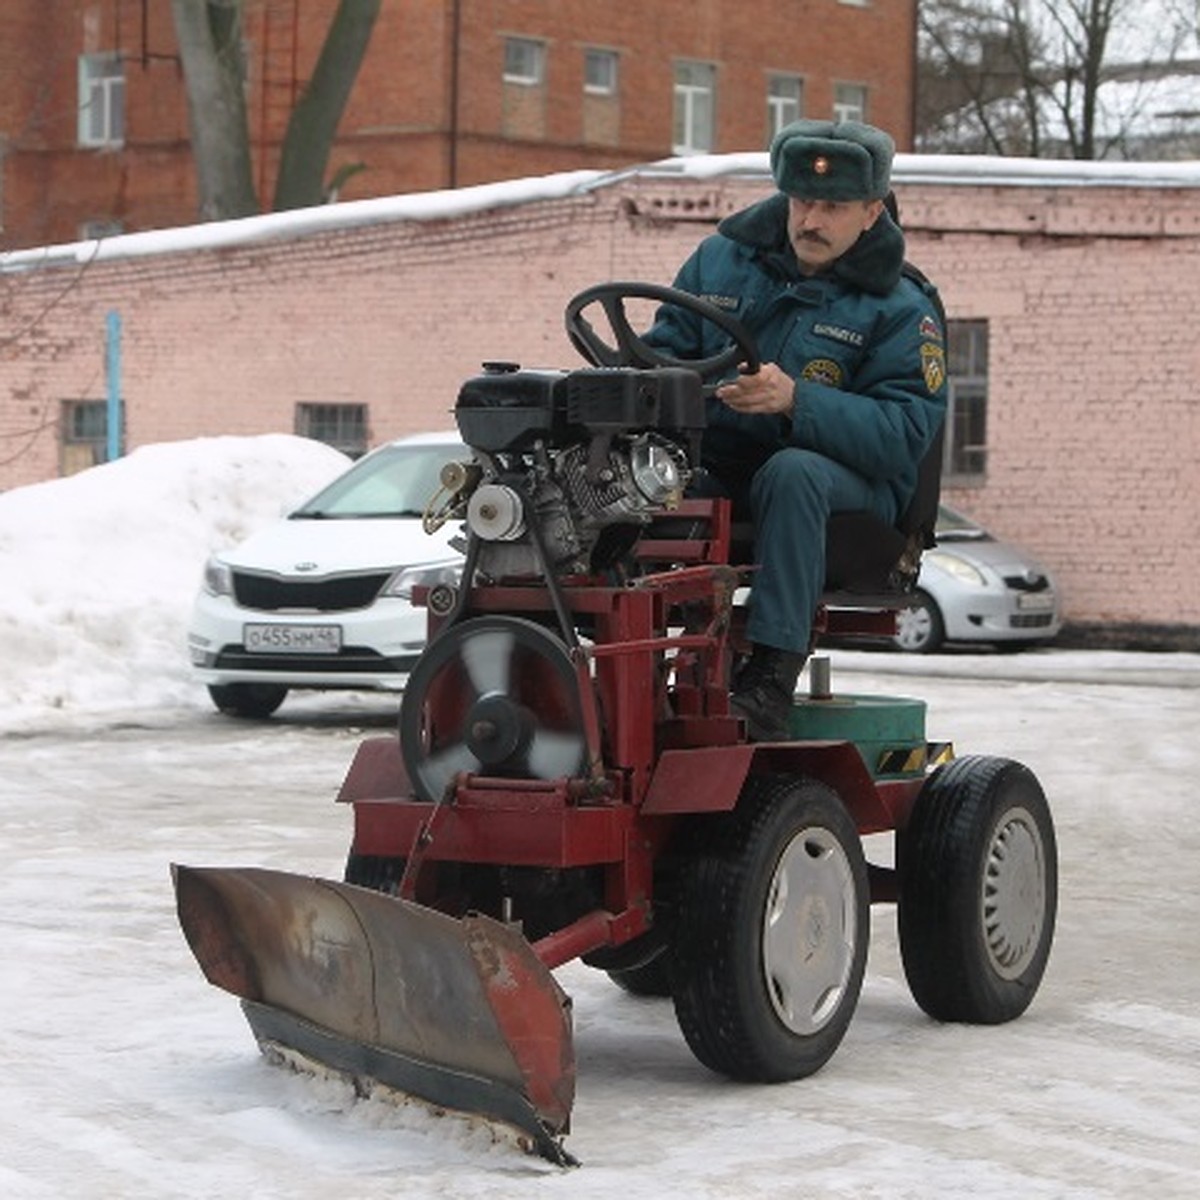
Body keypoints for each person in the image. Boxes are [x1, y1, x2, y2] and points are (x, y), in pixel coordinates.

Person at [646, 118, 948, 740]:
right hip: (724, 466)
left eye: (833, 206)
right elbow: (663, 351)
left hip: (855, 493)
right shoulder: (719, 261)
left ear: (871, 212)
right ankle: (607, 650)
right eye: (802, 200)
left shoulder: (901, 306)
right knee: (641, 474)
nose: (811, 220)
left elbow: (904, 434)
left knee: (792, 472)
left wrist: (795, 401)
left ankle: (770, 678)